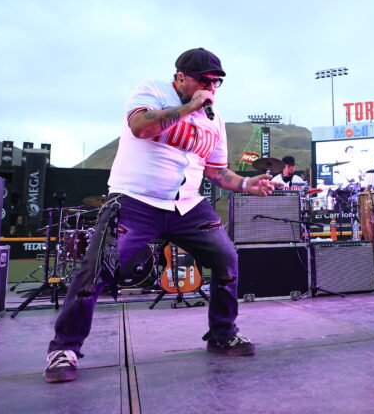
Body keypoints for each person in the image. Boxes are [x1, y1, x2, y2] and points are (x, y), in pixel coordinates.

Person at [44, 47, 278, 383]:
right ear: (180, 77)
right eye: (204, 80)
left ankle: (222, 334)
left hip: (187, 206)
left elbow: (216, 171)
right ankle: (63, 349)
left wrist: (245, 183)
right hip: (134, 201)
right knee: (95, 271)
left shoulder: (215, 120)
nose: (210, 87)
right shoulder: (151, 90)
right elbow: (140, 127)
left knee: (227, 258)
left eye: (217, 82)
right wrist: (189, 107)